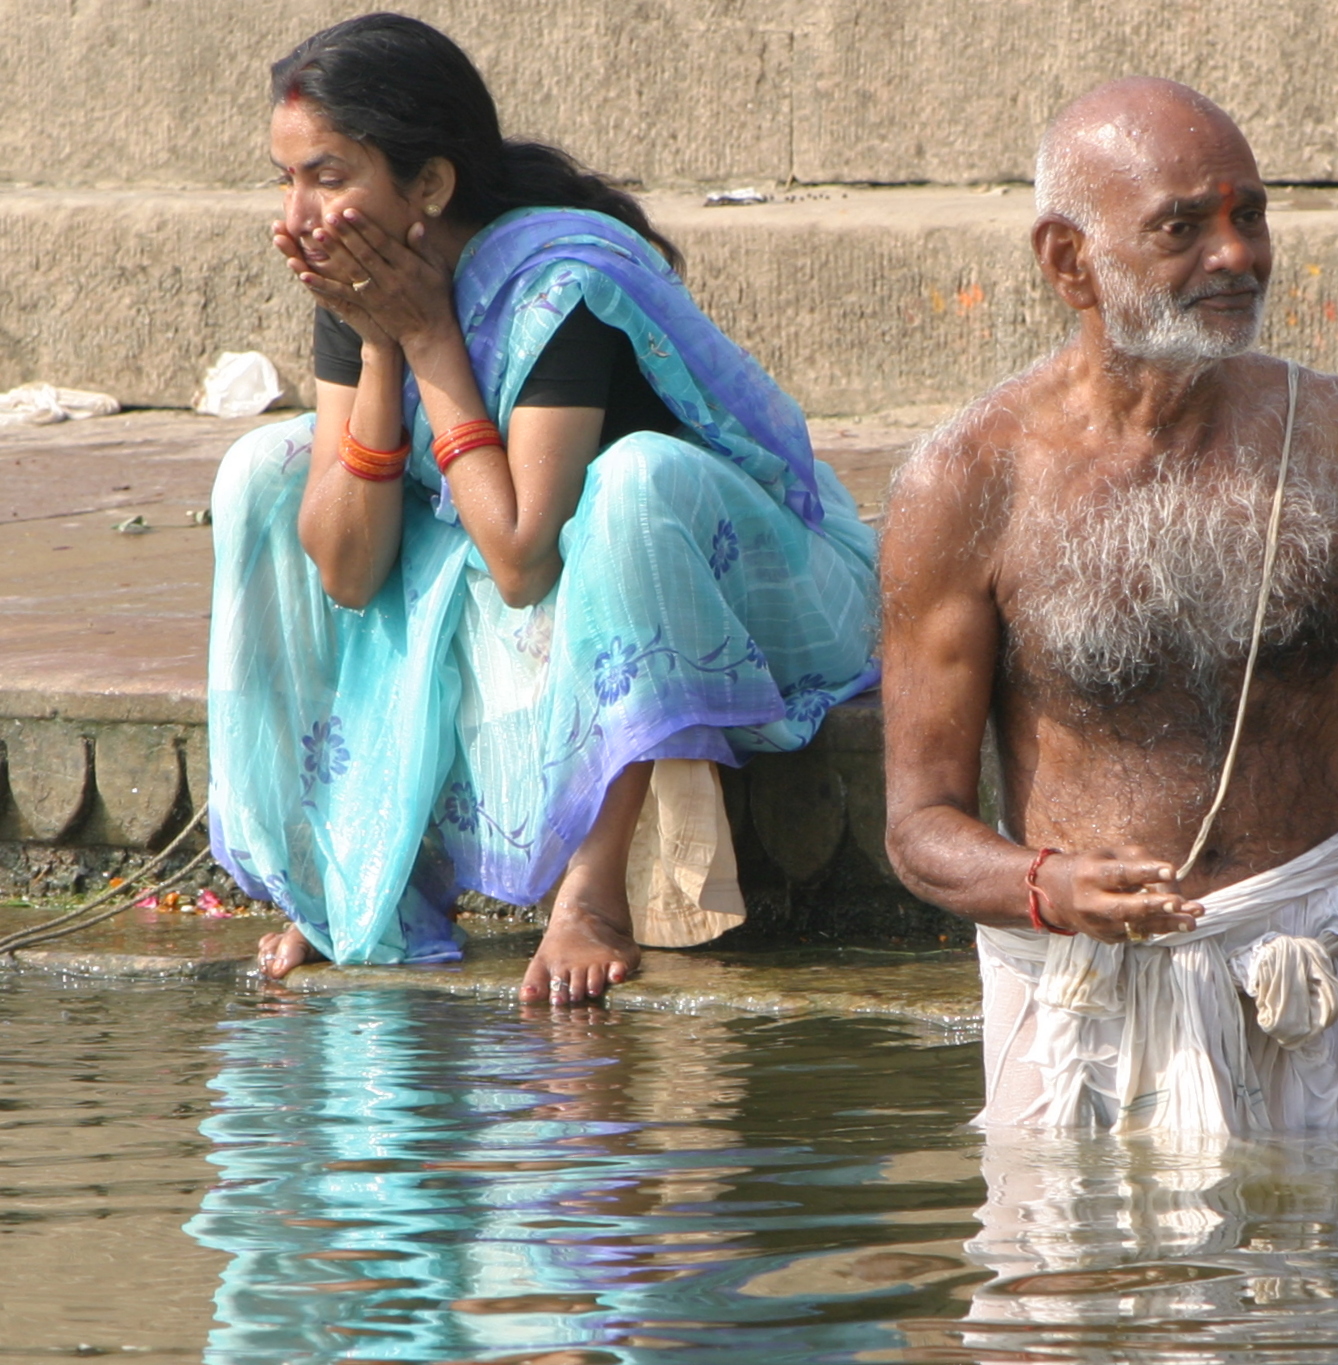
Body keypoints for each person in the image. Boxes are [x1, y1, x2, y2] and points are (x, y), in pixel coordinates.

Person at [210, 13, 878, 1000]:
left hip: (736, 591)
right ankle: (345, 883)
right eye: (287, 178)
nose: (299, 215)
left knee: (630, 481)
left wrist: (431, 342)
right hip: (541, 588)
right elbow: (347, 572)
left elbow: (523, 552)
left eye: (329, 175)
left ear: (428, 187)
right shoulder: (365, 270)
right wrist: (386, 342)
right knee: (263, 468)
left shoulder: (558, 283)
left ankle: (592, 896)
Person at [878, 77, 1338, 1132]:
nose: (1236, 255)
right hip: (1083, 1011)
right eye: (1182, 227)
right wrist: (1047, 886)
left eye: (1250, 215)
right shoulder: (966, 482)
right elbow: (919, 826)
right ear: (1070, 262)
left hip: (1325, 977)